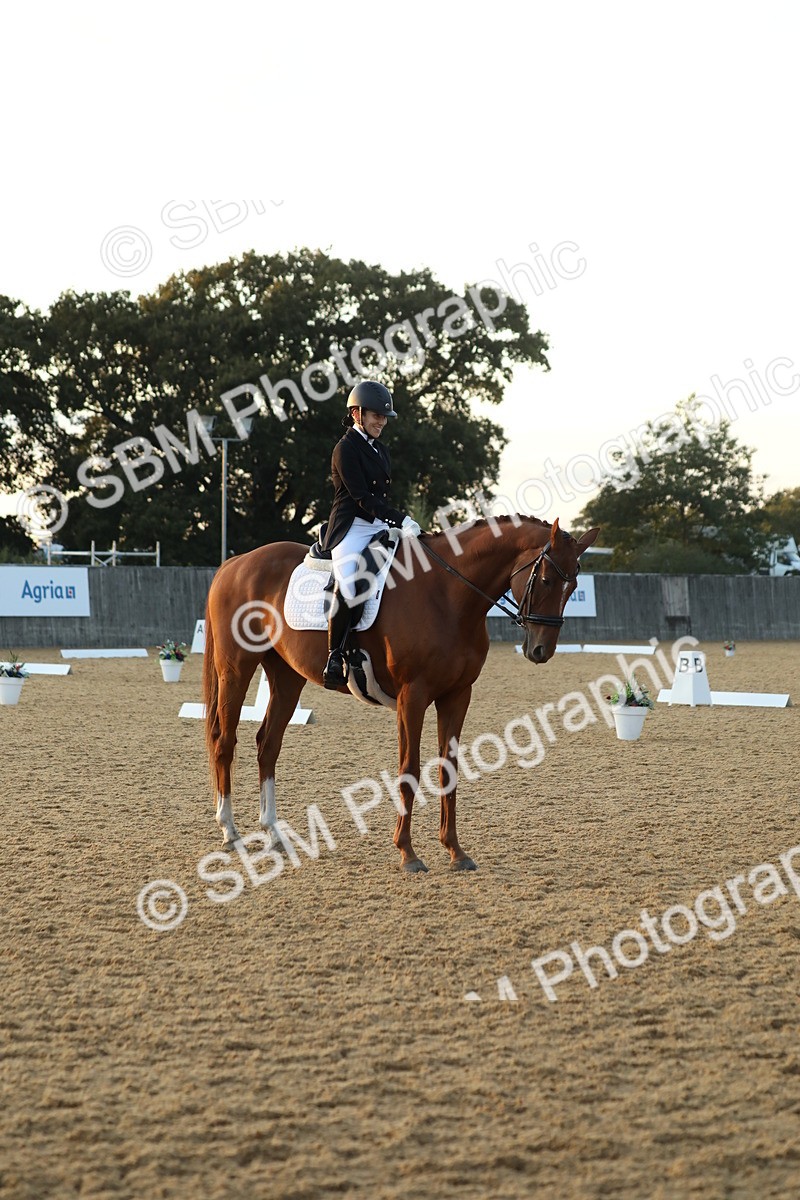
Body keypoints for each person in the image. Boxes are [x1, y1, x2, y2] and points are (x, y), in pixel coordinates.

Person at [321, 381, 421, 688]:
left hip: (376, 523)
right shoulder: (344, 449)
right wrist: (402, 519)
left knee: (411, 564)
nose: (382, 421)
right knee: (351, 585)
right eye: (376, 415)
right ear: (357, 414)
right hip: (350, 527)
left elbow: (381, 499)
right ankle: (335, 656)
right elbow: (362, 497)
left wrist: (398, 524)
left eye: (384, 416)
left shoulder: (381, 450)